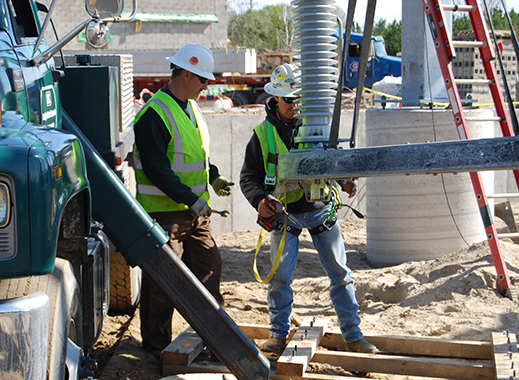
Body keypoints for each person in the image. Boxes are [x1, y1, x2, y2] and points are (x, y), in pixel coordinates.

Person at [239, 63, 378, 355]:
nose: (296, 104)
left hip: (321, 211)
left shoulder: (317, 127)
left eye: (300, 98)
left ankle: (353, 336)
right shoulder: (263, 134)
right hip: (283, 215)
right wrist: (259, 201)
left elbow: (331, 160)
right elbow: (249, 176)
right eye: (289, 99)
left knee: (341, 274)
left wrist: (344, 180)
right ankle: (278, 335)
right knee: (280, 279)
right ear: (276, 98)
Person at [132, 43, 234, 357]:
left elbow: (196, 155)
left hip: (195, 213)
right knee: (165, 284)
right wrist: (189, 198)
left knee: (209, 270)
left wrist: (213, 175)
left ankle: (212, 335)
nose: (207, 86)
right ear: (187, 74)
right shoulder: (155, 114)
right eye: (203, 80)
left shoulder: (190, 107)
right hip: (166, 215)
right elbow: (156, 168)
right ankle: (156, 346)